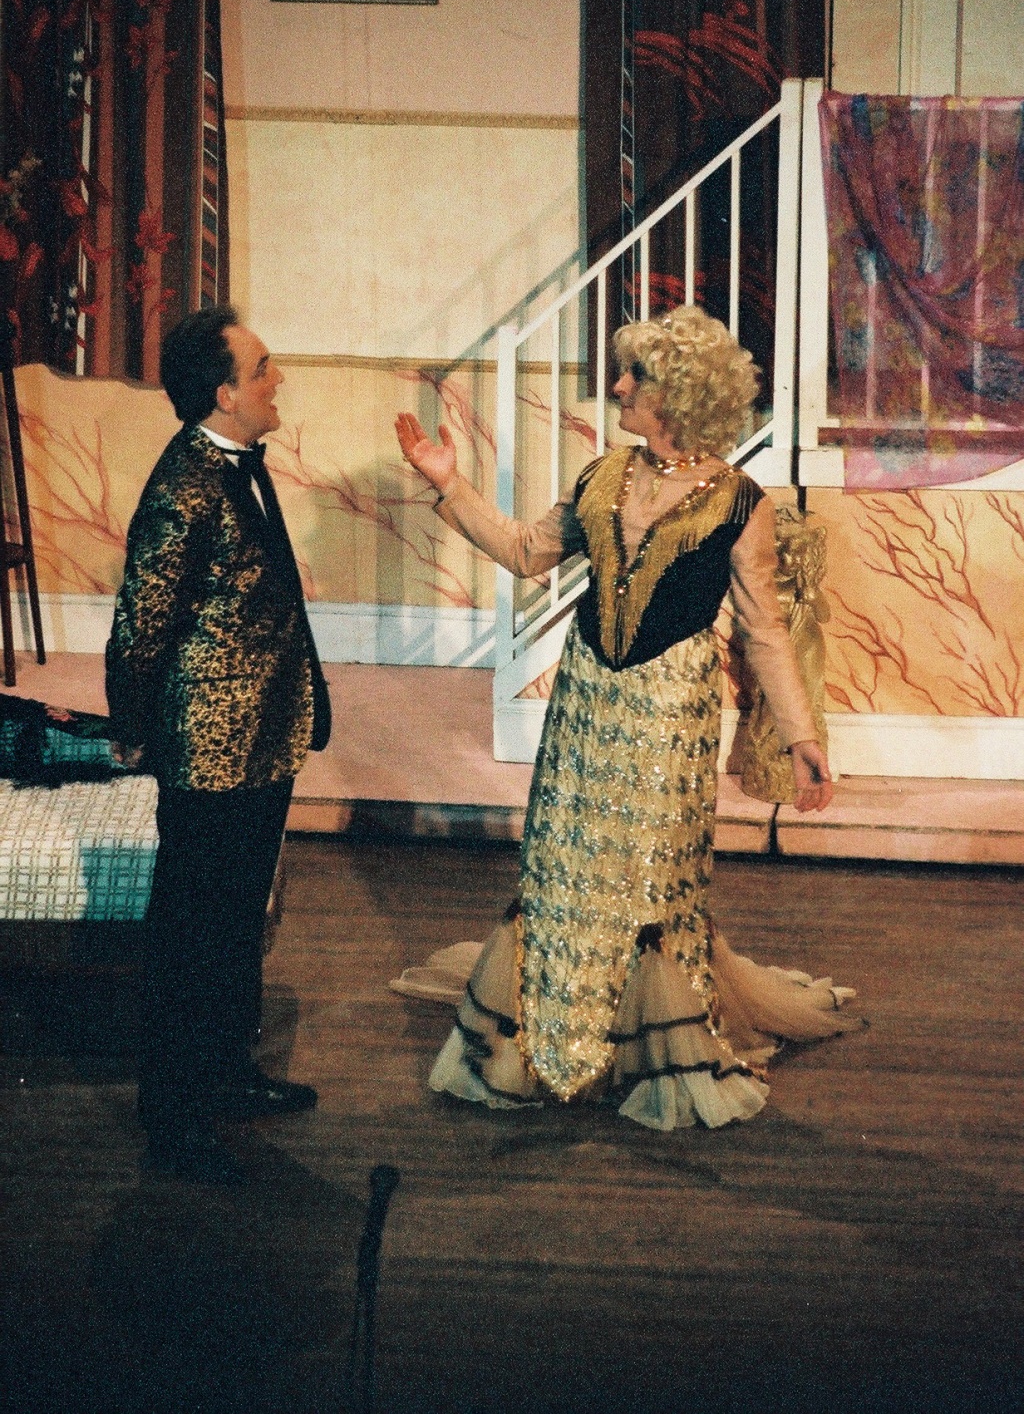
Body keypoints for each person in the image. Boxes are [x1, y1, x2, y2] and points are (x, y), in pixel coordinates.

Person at [394, 304, 862, 1132]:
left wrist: (802, 737)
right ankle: (558, 1031)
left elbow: (762, 631)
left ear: (676, 393)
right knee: (567, 864)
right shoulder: (602, 475)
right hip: (588, 700)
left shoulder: (740, 502)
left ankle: (647, 1042)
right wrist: (449, 483)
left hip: (669, 708)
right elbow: (526, 551)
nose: (616, 387)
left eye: (633, 376)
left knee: (650, 877)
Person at [106, 306, 332, 1183]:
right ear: (225, 393)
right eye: (264, 367)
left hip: (263, 739)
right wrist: (132, 727)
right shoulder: (185, 486)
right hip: (210, 749)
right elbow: (141, 623)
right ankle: (174, 1114)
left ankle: (229, 1071)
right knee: (192, 934)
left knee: (237, 921)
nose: (279, 379)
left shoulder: (241, 462)